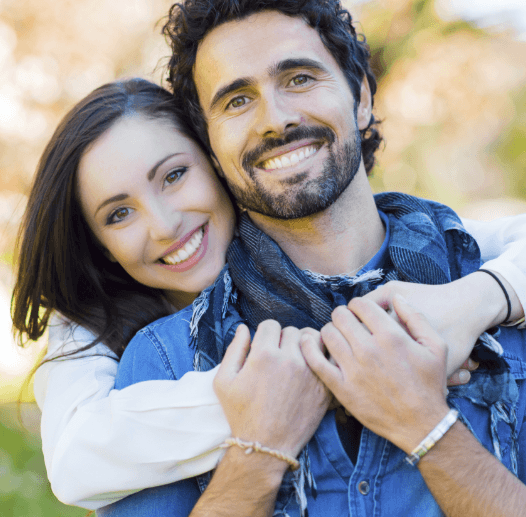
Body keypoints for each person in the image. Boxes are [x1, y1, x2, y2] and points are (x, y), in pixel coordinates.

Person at [101, 0, 526, 517]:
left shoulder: (496, 303)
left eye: (299, 78)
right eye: (237, 100)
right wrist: (258, 455)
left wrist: (426, 428)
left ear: (362, 97)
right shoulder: (165, 362)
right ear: (210, 148)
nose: (274, 118)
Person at [14, 81, 526, 517]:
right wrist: (296, 390)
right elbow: (76, 460)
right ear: (98, 246)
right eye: (118, 214)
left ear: (218, 161)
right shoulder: (122, 346)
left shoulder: (425, 249)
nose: (164, 225)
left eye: (173, 176)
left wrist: (480, 299)